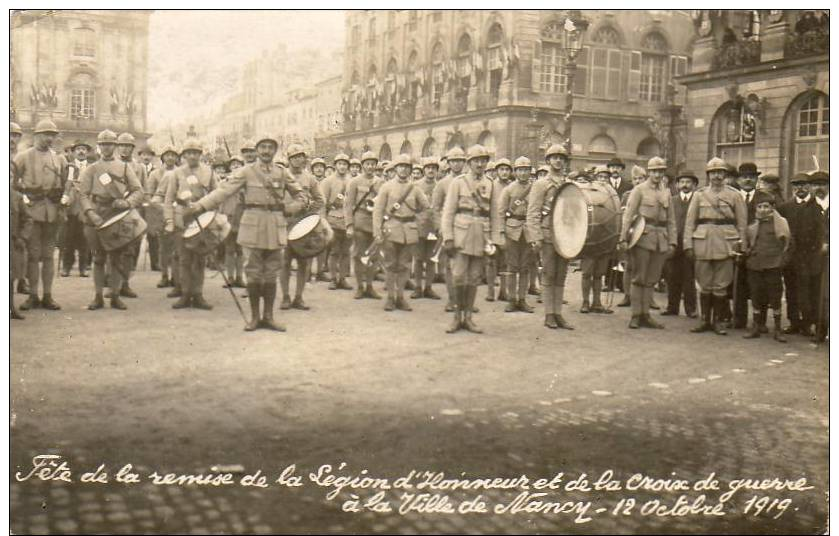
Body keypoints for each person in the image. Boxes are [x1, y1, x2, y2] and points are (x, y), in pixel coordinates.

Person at [188, 133, 305, 331]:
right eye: (263, 147)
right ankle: (254, 318)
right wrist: (200, 205)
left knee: (271, 272)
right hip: (252, 224)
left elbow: (301, 196)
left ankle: (268, 317)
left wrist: (292, 208)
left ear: (275, 151)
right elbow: (223, 191)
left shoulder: (282, 172)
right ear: (257, 150)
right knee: (252, 272)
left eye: (270, 147)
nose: (266, 151)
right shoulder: (245, 172)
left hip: (276, 225)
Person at [78, 129, 145, 311]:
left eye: (110, 144)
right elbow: (82, 193)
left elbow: (139, 190)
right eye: (103, 144)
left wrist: (128, 202)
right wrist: (90, 213)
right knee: (98, 258)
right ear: (98, 147)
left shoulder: (124, 167)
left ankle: (115, 295)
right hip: (97, 214)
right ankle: (98, 296)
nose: (106, 148)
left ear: (115, 147)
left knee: (116, 257)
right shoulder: (92, 169)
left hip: (117, 214)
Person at [442, 145, 502, 333]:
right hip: (461, 234)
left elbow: (495, 215)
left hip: (481, 236)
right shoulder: (458, 183)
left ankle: (468, 317)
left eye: (483, 160)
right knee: (458, 276)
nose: (480, 164)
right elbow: (448, 212)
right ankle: (456, 317)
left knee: (474, 278)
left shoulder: (491, 183)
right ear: (469, 163)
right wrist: (448, 238)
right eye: (476, 160)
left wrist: (494, 241)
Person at [683, 157, 748, 335]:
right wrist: (688, 244)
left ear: (725, 175)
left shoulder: (734, 195)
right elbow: (690, 222)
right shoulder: (699, 195)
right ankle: (705, 320)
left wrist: (742, 246)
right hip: (703, 242)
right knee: (704, 284)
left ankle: (719, 321)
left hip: (727, 243)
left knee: (721, 285)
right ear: (708, 175)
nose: (717, 176)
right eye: (713, 173)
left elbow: (742, 223)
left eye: (720, 172)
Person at [13, 119, 66, 311]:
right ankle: (33, 295)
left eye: (52, 135)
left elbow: (65, 184)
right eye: (46, 134)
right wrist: (24, 197)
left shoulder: (59, 158)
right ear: (36, 135)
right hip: (31, 212)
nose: (49, 138)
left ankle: (48, 296)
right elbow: (12, 182)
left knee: (49, 256)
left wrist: (62, 202)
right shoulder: (22, 157)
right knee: (33, 255)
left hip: (51, 211)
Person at [619, 156, 677, 329]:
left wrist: (672, 241)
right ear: (649, 172)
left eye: (660, 171)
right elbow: (628, 215)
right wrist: (623, 237)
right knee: (639, 277)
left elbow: (671, 220)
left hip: (661, 239)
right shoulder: (639, 190)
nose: (657, 174)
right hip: (642, 237)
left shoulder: (666, 192)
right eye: (654, 171)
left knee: (652, 279)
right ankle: (636, 315)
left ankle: (646, 314)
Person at [163, 138, 218, 310]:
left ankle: (198, 294)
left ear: (200, 154)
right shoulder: (176, 173)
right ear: (184, 155)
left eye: (196, 152)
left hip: (202, 217)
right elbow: (169, 198)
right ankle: (185, 293)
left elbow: (217, 195)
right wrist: (169, 220)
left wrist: (209, 211)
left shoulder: (209, 172)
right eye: (189, 153)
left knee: (200, 258)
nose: (192, 156)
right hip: (182, 218)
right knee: (184, 258)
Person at [526, 144, 575, 330]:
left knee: (561, 275)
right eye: (554, 157)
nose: (558, 161)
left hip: (565, 235)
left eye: (561, 158)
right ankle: (549, 314)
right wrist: (535, 237)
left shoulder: (568, 184)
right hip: (547, 235)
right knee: (548, 274)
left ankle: (558, 313)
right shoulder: (541, 184)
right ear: (548, 161)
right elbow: (533, 212)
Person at [373, 154, 430, 311]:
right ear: (395, 168)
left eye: (407, 166)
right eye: (401, 166)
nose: (404, 169)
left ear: (410, 169)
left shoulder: (415, 189)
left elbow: (426, 208)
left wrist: (417, 223)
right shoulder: (386, 187)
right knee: (391, 265)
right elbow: (377, 211)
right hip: (390, 229)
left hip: (409, 231)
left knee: (405, 266)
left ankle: (400, 297)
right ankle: (390, 298)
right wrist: (377, 231)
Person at [776, 172, 823, 336]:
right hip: (791, 257)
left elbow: (821, 233)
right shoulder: (785, 207)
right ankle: (794, 322)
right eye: (796, 185)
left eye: (803, 185)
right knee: (791, 290)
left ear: (809, 187)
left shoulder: (817, 207)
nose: (800, 188)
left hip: (810, 257)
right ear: (792, 188)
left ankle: (808, 323)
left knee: (808, 292)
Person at [280, 144, 324, 310]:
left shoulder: (309, 178)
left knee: (303, 262)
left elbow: (320, 200)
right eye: (295, 157)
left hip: (303, 225)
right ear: (289, 159)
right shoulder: (281, 176)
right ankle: (285, 296)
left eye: (301, 156)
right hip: (284, 223)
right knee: (285, 262)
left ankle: (299, 297)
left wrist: (309, 214)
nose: (299, 159)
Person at [742, 191, 790, 342]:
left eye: (766, 206)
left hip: (773, 266)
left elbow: (787, 244)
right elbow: (748, 243)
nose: (763, 209)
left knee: (775, 297)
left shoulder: (780, 223)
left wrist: (781, 260)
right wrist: (745, 252)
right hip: (755, 265)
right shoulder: (752, 226)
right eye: (760, 207)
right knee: (756, 296)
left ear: (772, 208)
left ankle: (777, 329)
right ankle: (756, 326)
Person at [498, 156, 536, 313]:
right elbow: (501, 212)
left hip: (528, 230)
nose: (523, 173)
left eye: (526, 170)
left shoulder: (535, 188)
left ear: (530, 171)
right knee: (512, 266)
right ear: (515, 171)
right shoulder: (508, 189)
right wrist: (501, 233)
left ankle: (522, 299)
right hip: (512, 230)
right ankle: (512, 299)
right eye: (520, 170)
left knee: (525, 267)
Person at [345, 151, 384, 299]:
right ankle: (360, 286)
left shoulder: (380, 182)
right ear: (363, 165)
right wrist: (349, 225)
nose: (370, 167)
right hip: (360, 222)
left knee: (373, 256)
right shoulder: (354, 182)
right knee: (359, 255)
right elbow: (348, 205)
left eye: (373, 164)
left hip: (375, 223)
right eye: (367, 164)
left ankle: (369, 286)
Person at [433, 147, 466, 312]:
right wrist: (441, 228)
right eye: (453, 161)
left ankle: (465, 301)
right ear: (448, 163)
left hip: (466, 229)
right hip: (449, 229)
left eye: (460, 160)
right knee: (449, 266)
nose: (457, 164)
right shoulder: (442, 184)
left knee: (466, 266)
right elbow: (436, 208)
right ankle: (452, 299)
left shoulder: (469, 181)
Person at [662, 170, 699, 318]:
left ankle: (691, 309)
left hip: (690, 244)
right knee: (672, 277)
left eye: (688, 182)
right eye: (682, 182)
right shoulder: (672, 200)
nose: (685, 185)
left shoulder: (697, 200)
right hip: (674, 244)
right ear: (677, 185)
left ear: (694, 185)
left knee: (688, 278)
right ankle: (672, 307)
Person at [114, 132, 146, 299]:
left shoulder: (139, 167)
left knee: (130, 249)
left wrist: (134, 205)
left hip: (132, 211)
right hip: (113, 211)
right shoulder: (111, 164)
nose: (125, 149)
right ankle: (112, 284)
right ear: (117, 147)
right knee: (112, 247)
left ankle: (125, 283)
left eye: (128, 146)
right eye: (122, 145)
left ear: (133, 148)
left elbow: (143, 190)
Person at [148, 145, 180, 290]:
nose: (170, 158)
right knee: (163, 247)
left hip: (178, 211)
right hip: (160, 210)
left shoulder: (181, 173)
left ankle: (176, 276)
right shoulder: (155, 174)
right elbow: (149, 194)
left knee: (177, 247)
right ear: (162, 157)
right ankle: (164, 275)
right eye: (167, 155)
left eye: (173, 155)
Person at [732, 162, 760, 328]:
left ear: (756, 179)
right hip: (737, 246)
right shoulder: (732, 197)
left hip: (757, 247)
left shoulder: (766, 197)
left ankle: (760, 321)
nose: (748, 180)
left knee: (758, 285)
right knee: (737, 283)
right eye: (744, 177)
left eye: (751, 177)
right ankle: (738, 319)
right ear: (738, 180)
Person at [320, 153, 353, 290]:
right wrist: (323, 221)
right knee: (334, 251)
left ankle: (343, 278)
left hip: (348, 221)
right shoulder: (327, 181)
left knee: (346, 252)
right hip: (332, 219)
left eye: (345, 164)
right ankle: (333, 278)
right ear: (335, 165)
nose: (342, 166)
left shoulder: (352, 181)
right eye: (340, 164)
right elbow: (322, 202)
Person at [60, 140, 91, 278]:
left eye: (83, 149)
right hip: (71, 206)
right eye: (78, 149)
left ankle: (83, 267)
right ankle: (66, 266)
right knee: (68, 239)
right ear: (73, 152)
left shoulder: (92, 167)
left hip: (86, 207)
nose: (81, 151)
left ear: (87, 152)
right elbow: (64, 184)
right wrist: (65, 197)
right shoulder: (69, 167)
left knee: (85, 239)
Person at [411, 156, 441, 300]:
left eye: (434, 168)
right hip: (419, 225)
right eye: (428, 168)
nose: (431, 170)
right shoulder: (415, 185)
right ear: (424, 170)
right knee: (418, 258)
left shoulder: (440, 186)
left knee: (431, 259)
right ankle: (417, 287)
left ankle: (428, 287)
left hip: (434, 226)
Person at [489, 157, 514, 303]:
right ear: (497, 171)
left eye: (506, 170)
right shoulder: (491, 186)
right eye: (501, 169)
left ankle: (503, 291)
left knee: (506, 262)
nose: (504, 172)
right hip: (493, 228)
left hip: (507, 229)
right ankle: (491, 290)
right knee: (491, 261)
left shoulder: (512, 187)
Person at [809, 171, 829, 343]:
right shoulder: (808, 207)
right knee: (817, 294)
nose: (819, 188)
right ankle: (820, 329)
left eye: (823, 184)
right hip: (813, 258)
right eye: (815, 185)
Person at [138, 144, 160, 271]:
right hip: (138, 204)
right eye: (143, 154)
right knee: (136, 232)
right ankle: (133, 261)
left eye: (148, 155)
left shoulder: (156, 171)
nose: (146, 157)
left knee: (153, 233)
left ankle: (155, 262)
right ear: (140, 156)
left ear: (152, 157)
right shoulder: (135, 168)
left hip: (152, 204)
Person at [309, 156, 331, 282]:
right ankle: (307, 271)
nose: (318, 169)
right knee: (309, 245)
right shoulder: (309, 181)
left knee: (322, 245)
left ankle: (320, 271)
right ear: (312, 169)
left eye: (321, 167)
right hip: (310, 216)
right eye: (316, 167)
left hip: (323, 216)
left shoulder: (327, 182)